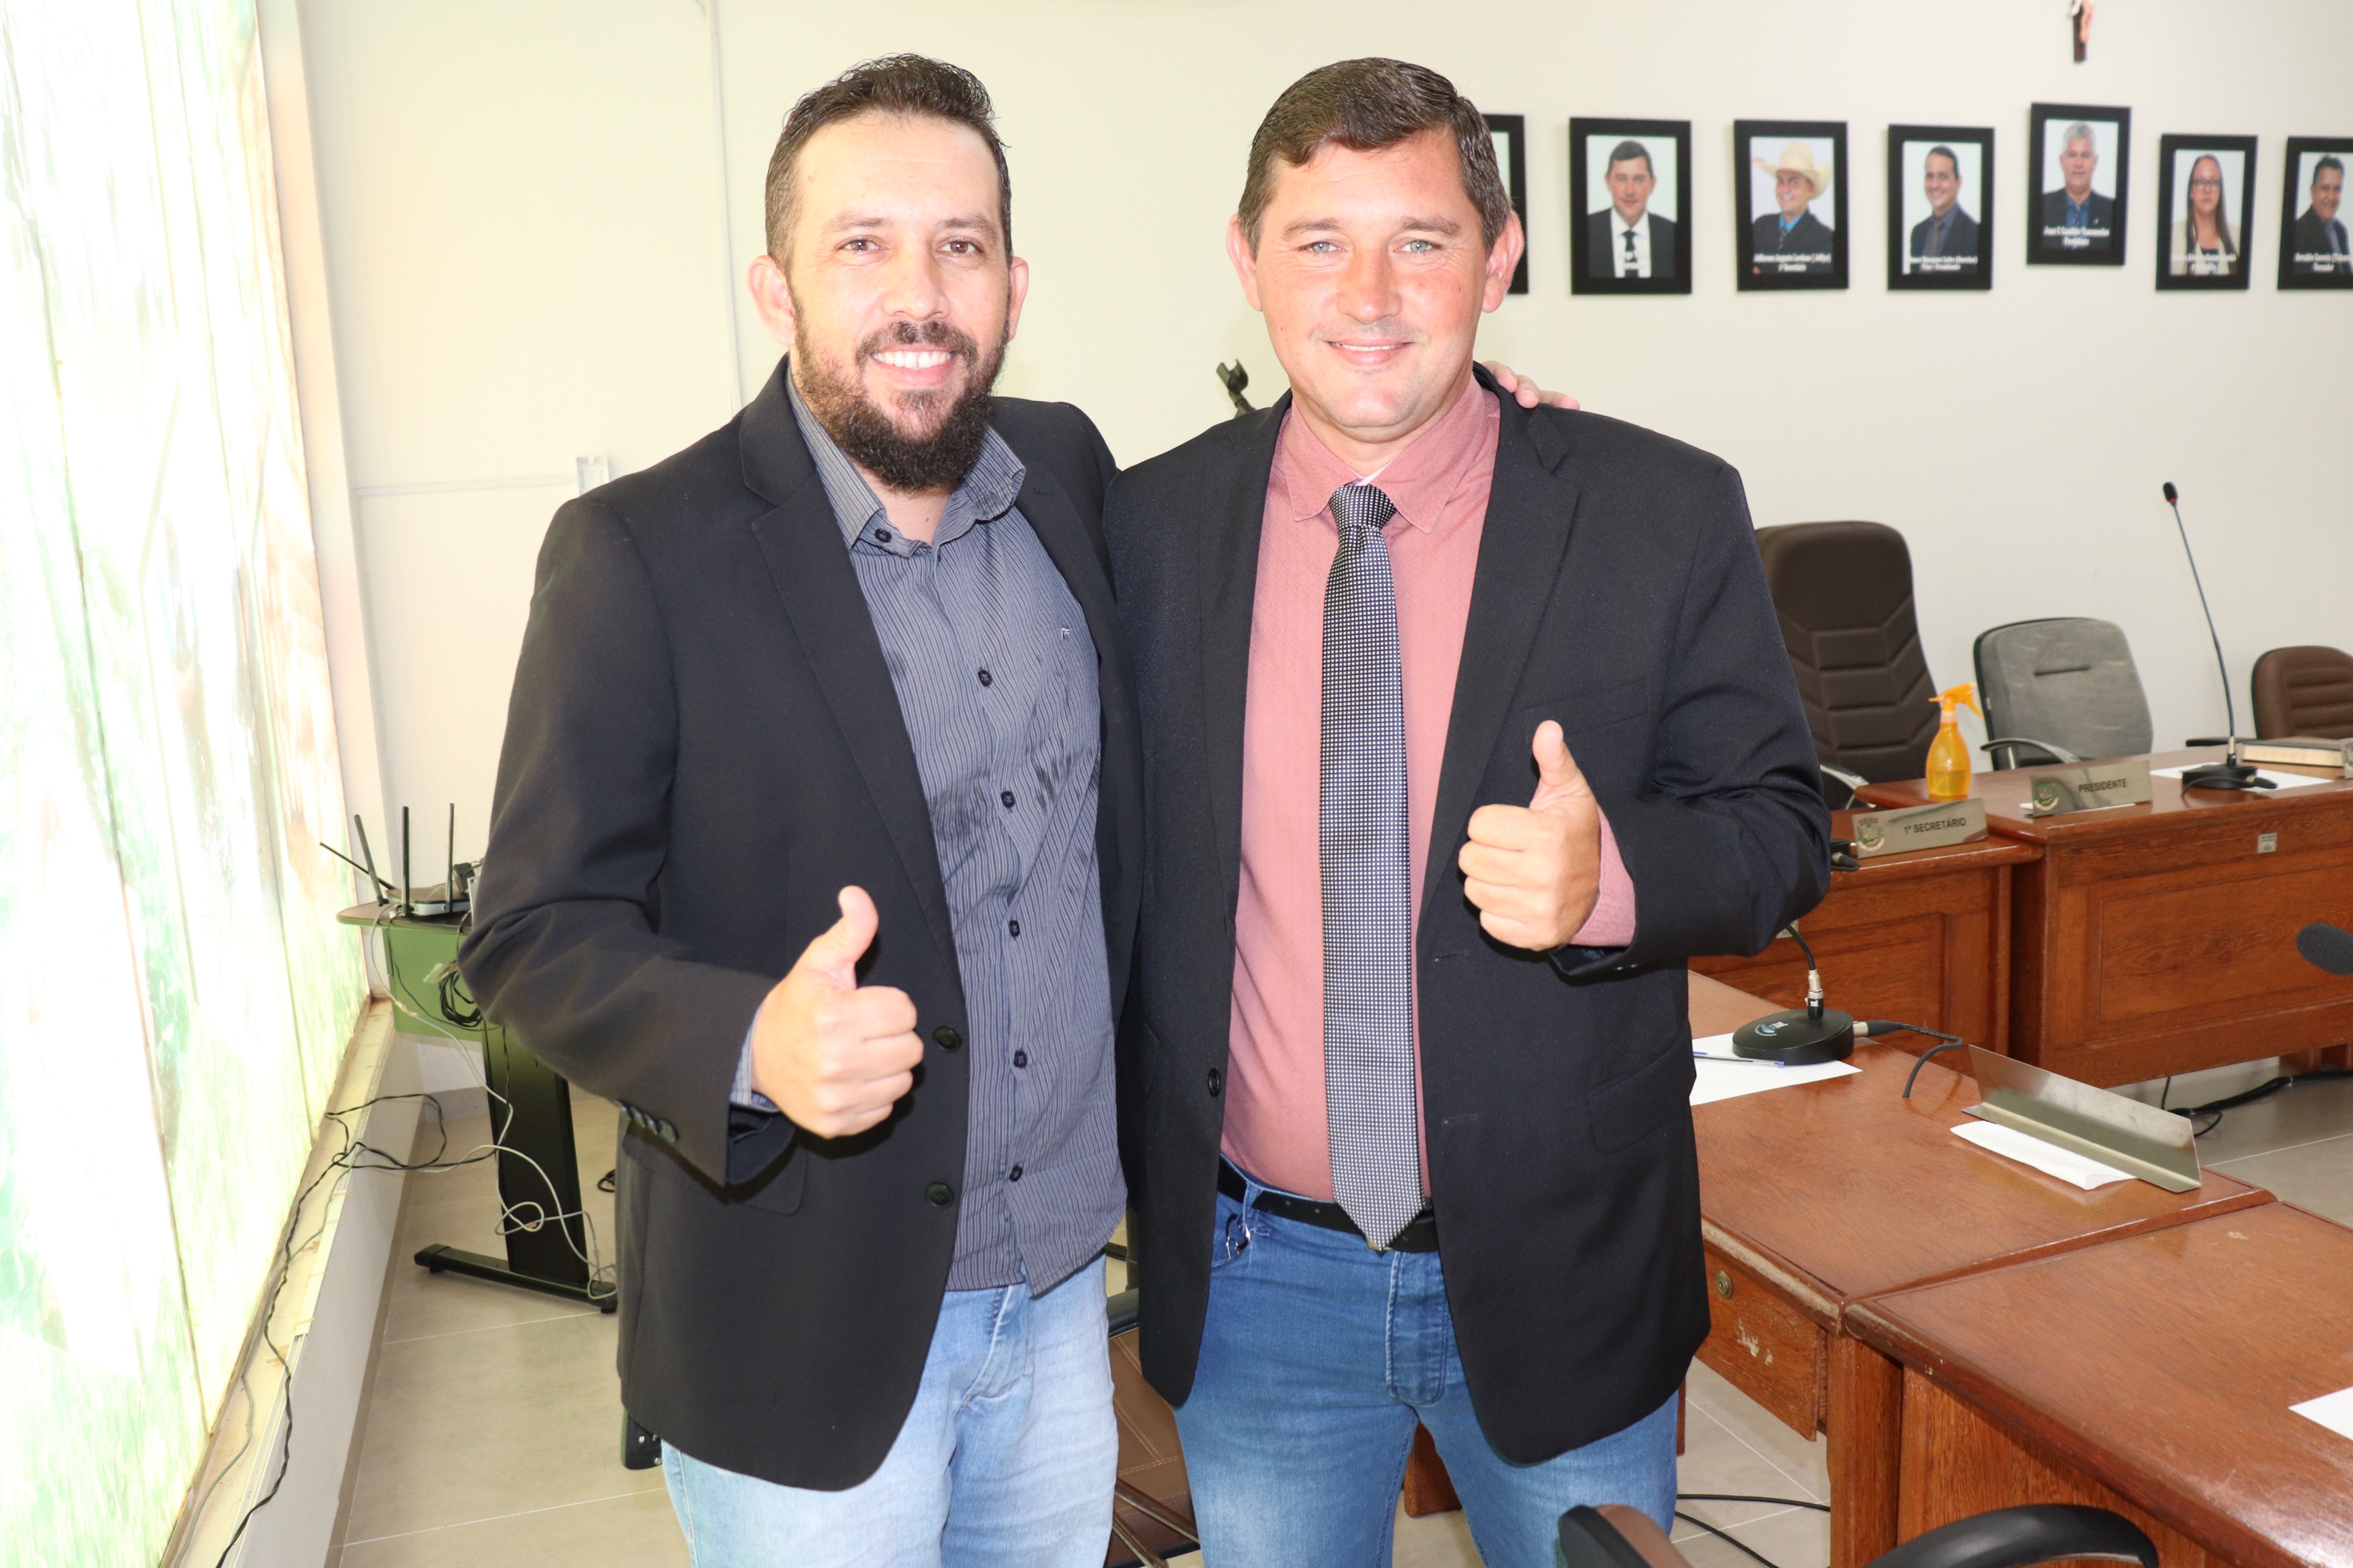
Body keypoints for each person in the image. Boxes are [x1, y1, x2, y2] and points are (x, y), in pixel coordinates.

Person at [459, 52, 1570, 1568]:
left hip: (1057, 1303)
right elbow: (529, 931)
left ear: (1014, 285)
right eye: (863, 244)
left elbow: (1299, 489)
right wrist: (748, 1043)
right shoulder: (639, 553)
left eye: (960, 246)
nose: (918, 294)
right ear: (777, 287)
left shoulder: (1068, 473)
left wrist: (1487, 427)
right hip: (804, 1323)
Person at [1107, 57, 1829, 1568]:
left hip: (1569, 1257)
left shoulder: (1659, 510)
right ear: (1246, 259)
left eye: (1421, 241)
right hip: (1254, 1276)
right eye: (1319, 240)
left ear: (1498, 259)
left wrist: (1610, 877)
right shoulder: (1144, 528)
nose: (1369, 294)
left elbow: (1780, 831)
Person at [1584, 139, 1676, 279]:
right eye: (1622, 179)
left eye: (1639, 179)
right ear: (1608, 182)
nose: (1630, 191)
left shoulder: (1674, 234)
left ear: (1652, 184)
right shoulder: (1585, 231)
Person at [1748, 142, 1836, 275]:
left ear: (1810, 189)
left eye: (1794, 182)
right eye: (1780, 181)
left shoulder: (1825, 240)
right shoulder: (1760, 226)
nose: (1785, 189)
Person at [2039, 121, 2115, 250]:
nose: (2079, 163)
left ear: (2095, 162)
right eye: (2072, 155)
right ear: (2062, 161)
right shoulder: (2042, 206)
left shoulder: (2112, 211)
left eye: (2085, 156)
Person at [1908, 144, 1980, 273]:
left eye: (1943, 177)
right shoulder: (1918, 233)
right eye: (1930, 176)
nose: (1935, 185)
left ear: (1958, 182)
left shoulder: (1975, 234)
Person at [2168, 154, 2237, 276]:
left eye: (2214, 182)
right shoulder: (2172, 237)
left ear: (2220, 191)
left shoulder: (2237, 236)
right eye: (2200, 182)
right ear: (2191, 191)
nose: (2207, 189)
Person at [2289, 154, 2348, 276]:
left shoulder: (2341, 231)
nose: (2331, 197)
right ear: (2313, 191)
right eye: (2325, 188)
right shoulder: (2297, 232)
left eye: (2337, 189)